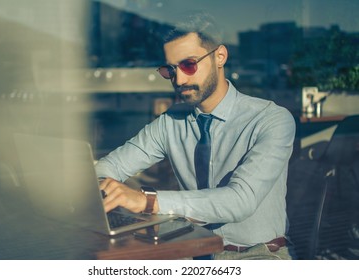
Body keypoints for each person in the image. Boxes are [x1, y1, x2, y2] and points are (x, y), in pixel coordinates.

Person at [95, 12, 296, 260]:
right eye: (170, 70)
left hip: (256, 254)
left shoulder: (271, 119)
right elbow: (109, 166)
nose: (179, 79)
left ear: (220, 57)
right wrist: (107, 188)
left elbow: (240, 200)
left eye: (189, 65)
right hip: (188, 249)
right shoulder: (170, 122)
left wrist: (146, 201)